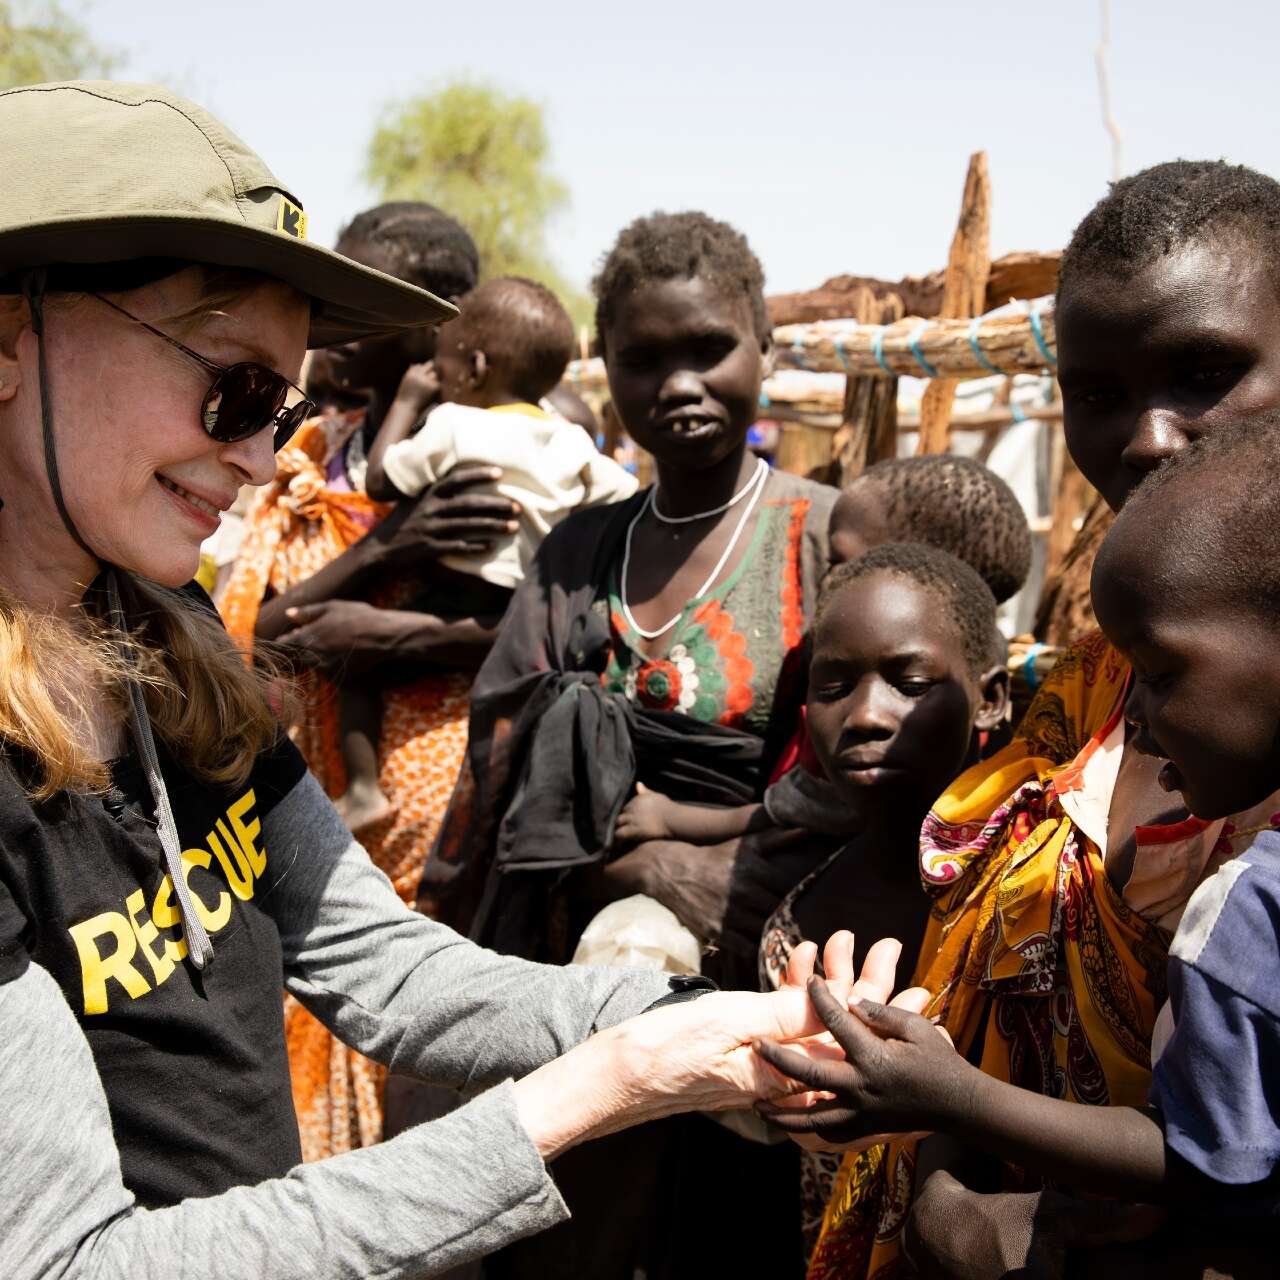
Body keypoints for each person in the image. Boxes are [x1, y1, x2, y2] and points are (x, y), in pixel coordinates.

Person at [0, 78, 890, 1280]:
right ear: (13, 333)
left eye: (288, 401)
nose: (266, 455)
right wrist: (597, 1089)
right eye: (235, 387)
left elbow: (378, 963)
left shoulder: (167, 631)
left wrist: (683, 1018)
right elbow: (71, 1260)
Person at [792, 158, 1280, 1280]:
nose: (1149, 437)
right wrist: (946, 1196)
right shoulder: (1094, 683)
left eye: (1204, 372)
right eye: (1099, 393)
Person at [425, 210, 836, 1278]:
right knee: (586, 1223)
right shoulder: (579, 548)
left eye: (709, 348)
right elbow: (503, 755)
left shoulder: (828, 536)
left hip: (784, 951)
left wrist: (742, 878)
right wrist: (642, 859)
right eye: (643, 357)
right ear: (605, 370)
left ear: (764, 349)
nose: (680, 382)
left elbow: (880, 773)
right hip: (583, 953)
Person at [218, 200, 518, 1156]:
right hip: (310, 776)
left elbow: (532, 630)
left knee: (415, 1026)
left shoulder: (487, 452)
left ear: (446, 316)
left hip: (437, 782)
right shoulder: (307, 447)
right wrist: (374, 565)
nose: (335, 316)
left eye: (370, 295)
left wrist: (383, 636)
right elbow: (236, 631)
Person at [755, 543, 1008, 1257]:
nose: (866, 715)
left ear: (989, 697)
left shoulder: (1039, 896)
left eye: (908, 681)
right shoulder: (796, 928)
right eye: (834, 685)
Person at [332, 277, 635, 831]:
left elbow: (377, 481)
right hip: (522, 607)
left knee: (356, 662)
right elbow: (623, 494)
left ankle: (362, 789)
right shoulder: (568, 439)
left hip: (447, 594)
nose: (438, 380)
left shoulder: (453, 424)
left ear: (473, 368)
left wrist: (407, 401)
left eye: (442, 370)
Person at [613, 454, 1031, 850]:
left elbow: (797, 809)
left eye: (841, 562)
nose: (826, 576)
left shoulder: (899, 741)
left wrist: (670, 819)